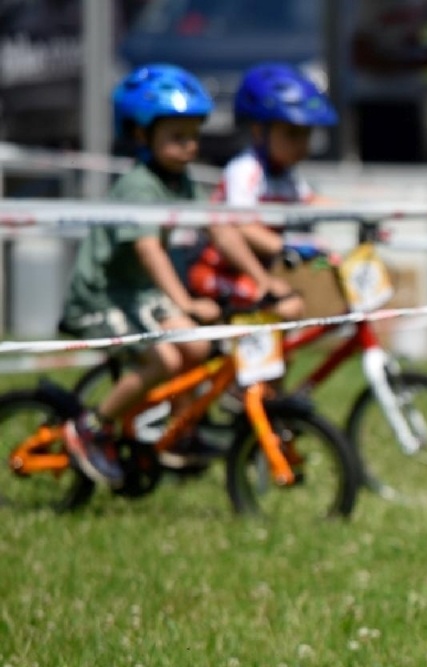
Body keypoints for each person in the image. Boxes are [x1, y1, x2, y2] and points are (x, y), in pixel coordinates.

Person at [59, 64, 297, 489]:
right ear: (140, 134)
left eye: (194, 135)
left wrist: (261, 280)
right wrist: (185, 302)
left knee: (198, 345)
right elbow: (148, 249)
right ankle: (89, 428)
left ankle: (177, 428)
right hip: (104, 296)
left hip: (141, 294)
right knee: (166, 359)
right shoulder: (138, 186)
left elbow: (220, 229)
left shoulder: (181, 181)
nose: (189, 146)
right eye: (177, 136)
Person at [185, 63, 334, 312]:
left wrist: (363, 211)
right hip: (216, 270)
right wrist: (286, 245)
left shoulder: (285, 174)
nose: (303, 145)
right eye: (292, 134)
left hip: (256, 271)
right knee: (287, 307)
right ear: (258, 131)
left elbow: (311, 201)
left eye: (307, 134)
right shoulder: (244, 170)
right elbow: (242, 226)